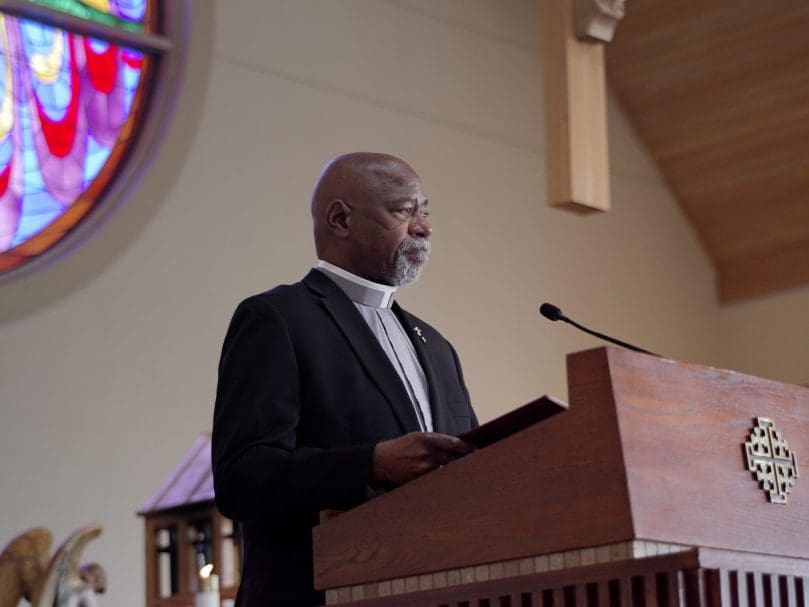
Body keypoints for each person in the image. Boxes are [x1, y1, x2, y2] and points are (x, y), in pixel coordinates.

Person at [212, 152, 478, 606]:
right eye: (404, 211)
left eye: (425, 212)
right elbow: (242, 478)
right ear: (340, 219)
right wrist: (370, 465)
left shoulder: (437, 347)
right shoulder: (278, 319)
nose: (424, 227)